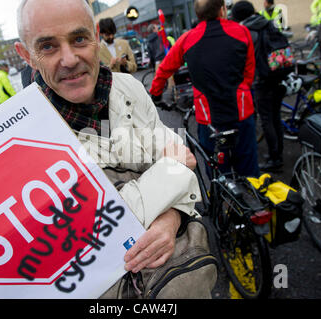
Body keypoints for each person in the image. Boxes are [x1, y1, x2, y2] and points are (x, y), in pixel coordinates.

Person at [14, 0, 201, 282]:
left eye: (79, 39)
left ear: (96, 36)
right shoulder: (21, 136)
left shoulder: (129, 88)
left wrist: (171, 218)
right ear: (26, 55)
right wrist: (167, 175)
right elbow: (81, 236)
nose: (69, 59)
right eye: (48, 46)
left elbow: (184, 162)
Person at [150, 0, 260, 178]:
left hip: (208, 116)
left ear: (197, 15)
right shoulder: (241, 31)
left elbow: (163, 69)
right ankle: (253, 202)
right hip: (241, 110)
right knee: (250, 171)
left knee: (217, 171)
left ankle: (221, 202)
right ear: (223, 9)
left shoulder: (187, 39)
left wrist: (156, 94)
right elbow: (249, 73)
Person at [232, 0, 286, 171]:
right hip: (279, 74)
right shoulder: (267, 23)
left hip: (262, 80)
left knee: (266, 119)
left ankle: (274, 158)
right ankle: (278, 153)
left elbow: (243, 60)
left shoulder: (247, 30)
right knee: (276, 117)